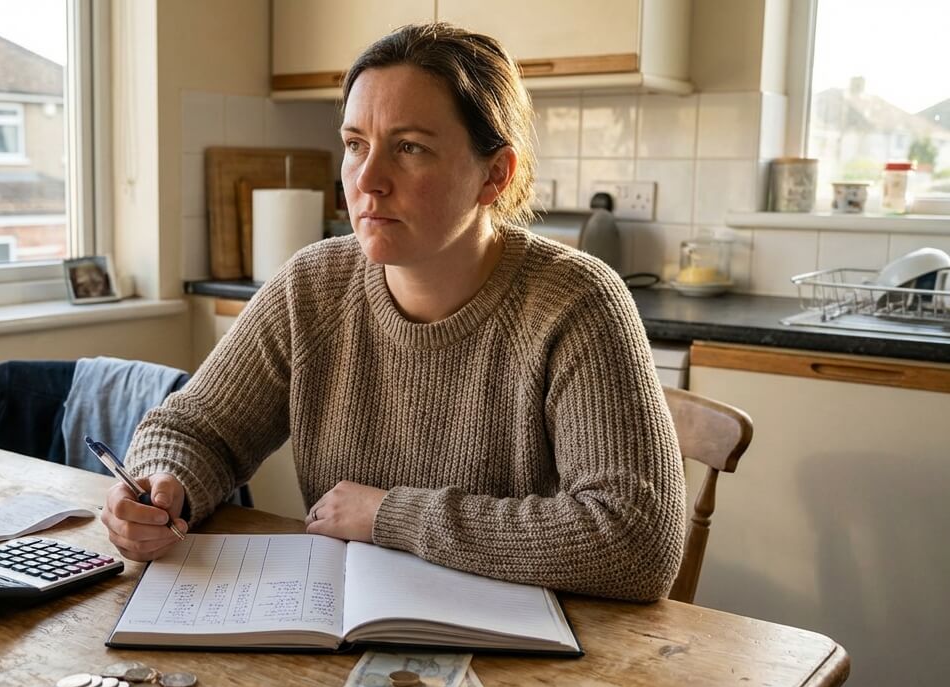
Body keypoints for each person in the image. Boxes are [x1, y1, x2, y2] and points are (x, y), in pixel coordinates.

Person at [102, 22, 686, 602]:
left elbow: (635, 540)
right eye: (355, 144)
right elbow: (196, 428)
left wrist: (391, 515)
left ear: (495, 174)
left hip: (533, 659)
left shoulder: (577, 303)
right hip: (345, 631)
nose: (367, 180)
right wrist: (161, 482)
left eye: (410, 148)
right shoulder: (312, 285)